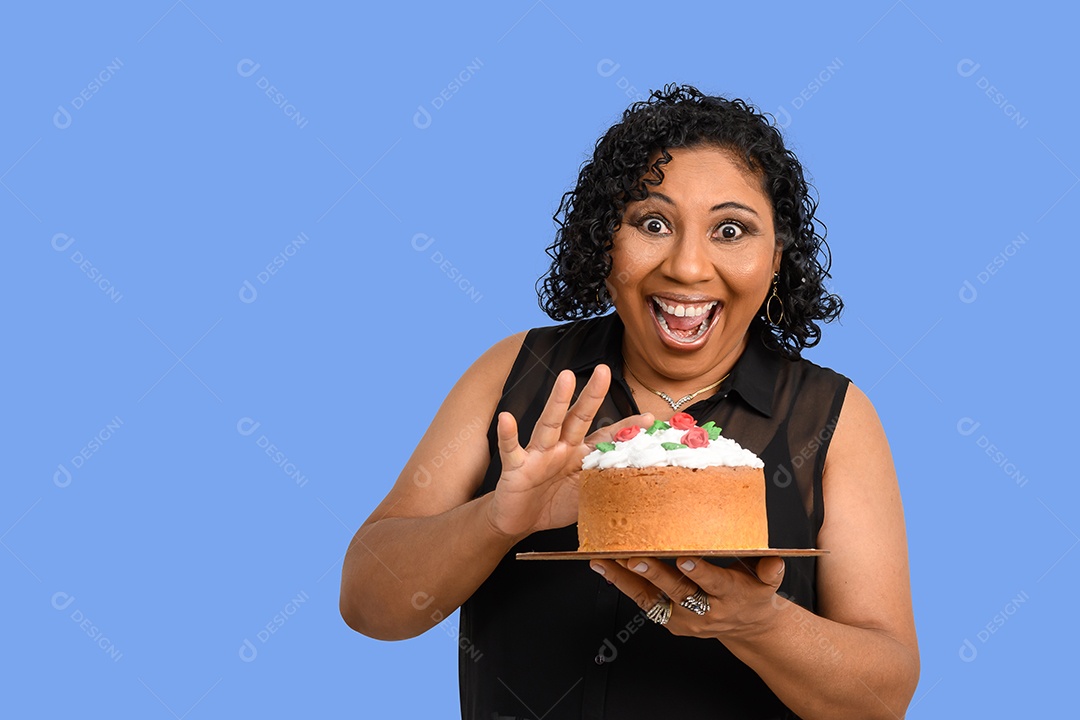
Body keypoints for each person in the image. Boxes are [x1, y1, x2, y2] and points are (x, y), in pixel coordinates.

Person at [340, 83, 919, 719]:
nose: (689, 267)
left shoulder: (832, 417)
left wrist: (758, 624)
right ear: (602, 241)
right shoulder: (517, 373)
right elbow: (368, 606)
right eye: (652, 223)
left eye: (731, 229)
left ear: (777, 257)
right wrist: (497, 520)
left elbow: (883, 698)